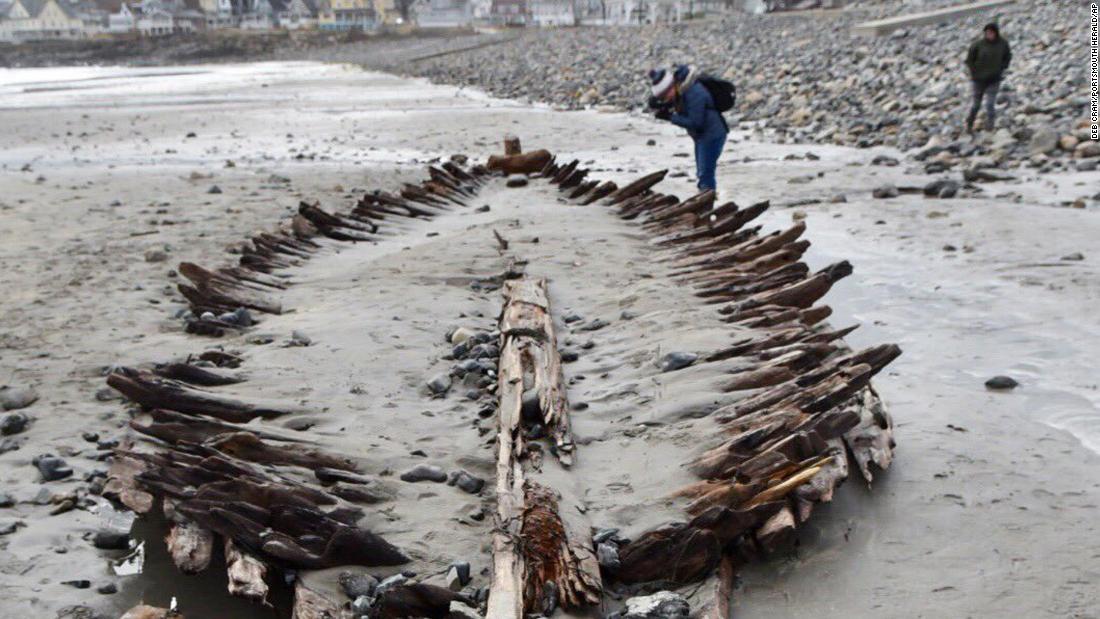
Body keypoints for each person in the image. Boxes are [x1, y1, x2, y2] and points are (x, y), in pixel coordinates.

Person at [649, 65, 728, 192]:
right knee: (702, 172)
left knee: (705, 174)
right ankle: (705, 199)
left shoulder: (694, 92)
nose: (665, 99)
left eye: (664, 96)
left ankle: (706, 203)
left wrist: (670, 117)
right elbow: (679, 104)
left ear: (671, 86)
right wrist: (659, 104)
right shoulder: (681, 90)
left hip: (713, 134)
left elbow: (696, 123)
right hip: (702, 136)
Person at [965, 22, 1012, 133]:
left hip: (994, 80)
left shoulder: (1003, 44)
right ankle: (969, 124)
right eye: (987, 32)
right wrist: (974, 72)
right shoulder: (977, 45)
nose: (989, 34)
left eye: (991, 32)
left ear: (996, 33)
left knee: (990, 104)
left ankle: (990, 126)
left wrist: (1002, 67)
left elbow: (1008, 56)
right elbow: (969, 60)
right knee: (976, 105)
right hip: (978, 80)